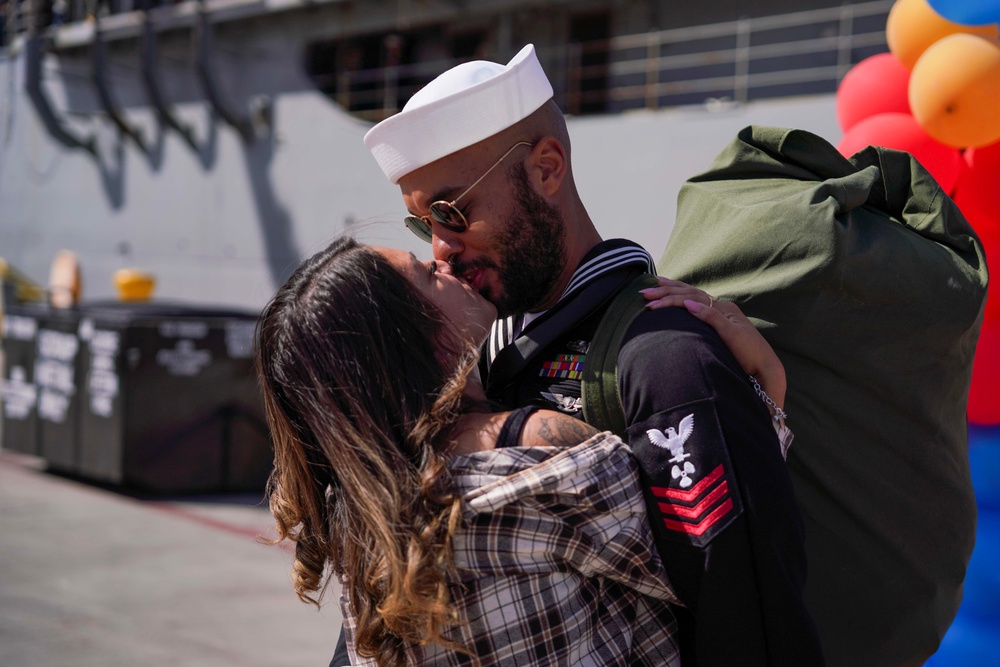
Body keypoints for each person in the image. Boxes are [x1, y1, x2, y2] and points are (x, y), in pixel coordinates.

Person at [349, 43, 825, 666]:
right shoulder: (489, 355)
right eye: (424, 225)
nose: (442, 249)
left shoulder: (666, 358)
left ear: (547, 169)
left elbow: (748, 616)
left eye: (452, 212)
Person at [257, 236, 784, 666]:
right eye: (425, 275)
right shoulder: (537, 449)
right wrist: (764, 394)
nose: (443, 259)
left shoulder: (357, 510)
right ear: (413, 339)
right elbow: (713, 563)